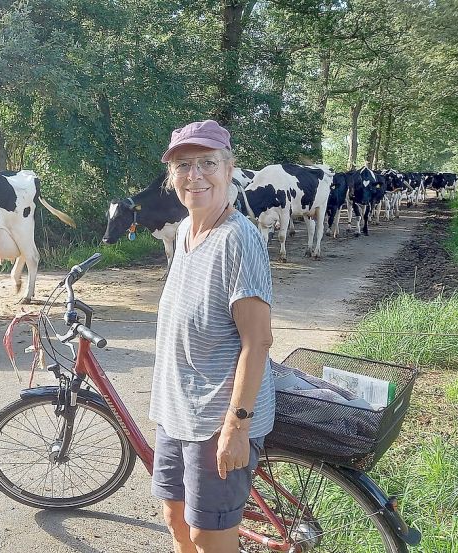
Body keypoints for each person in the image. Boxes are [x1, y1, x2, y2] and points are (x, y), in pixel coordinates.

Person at [149, 120, 275, 553]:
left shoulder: (238, 239)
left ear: (229, 169)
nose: (195, 175)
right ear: (173, 176)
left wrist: (236, 429)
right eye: (184, 165)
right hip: (177, 411)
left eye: (208, 163)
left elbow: (257, 341)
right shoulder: (185, 230)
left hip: (217, 418)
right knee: (174, 517)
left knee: (210, 536)